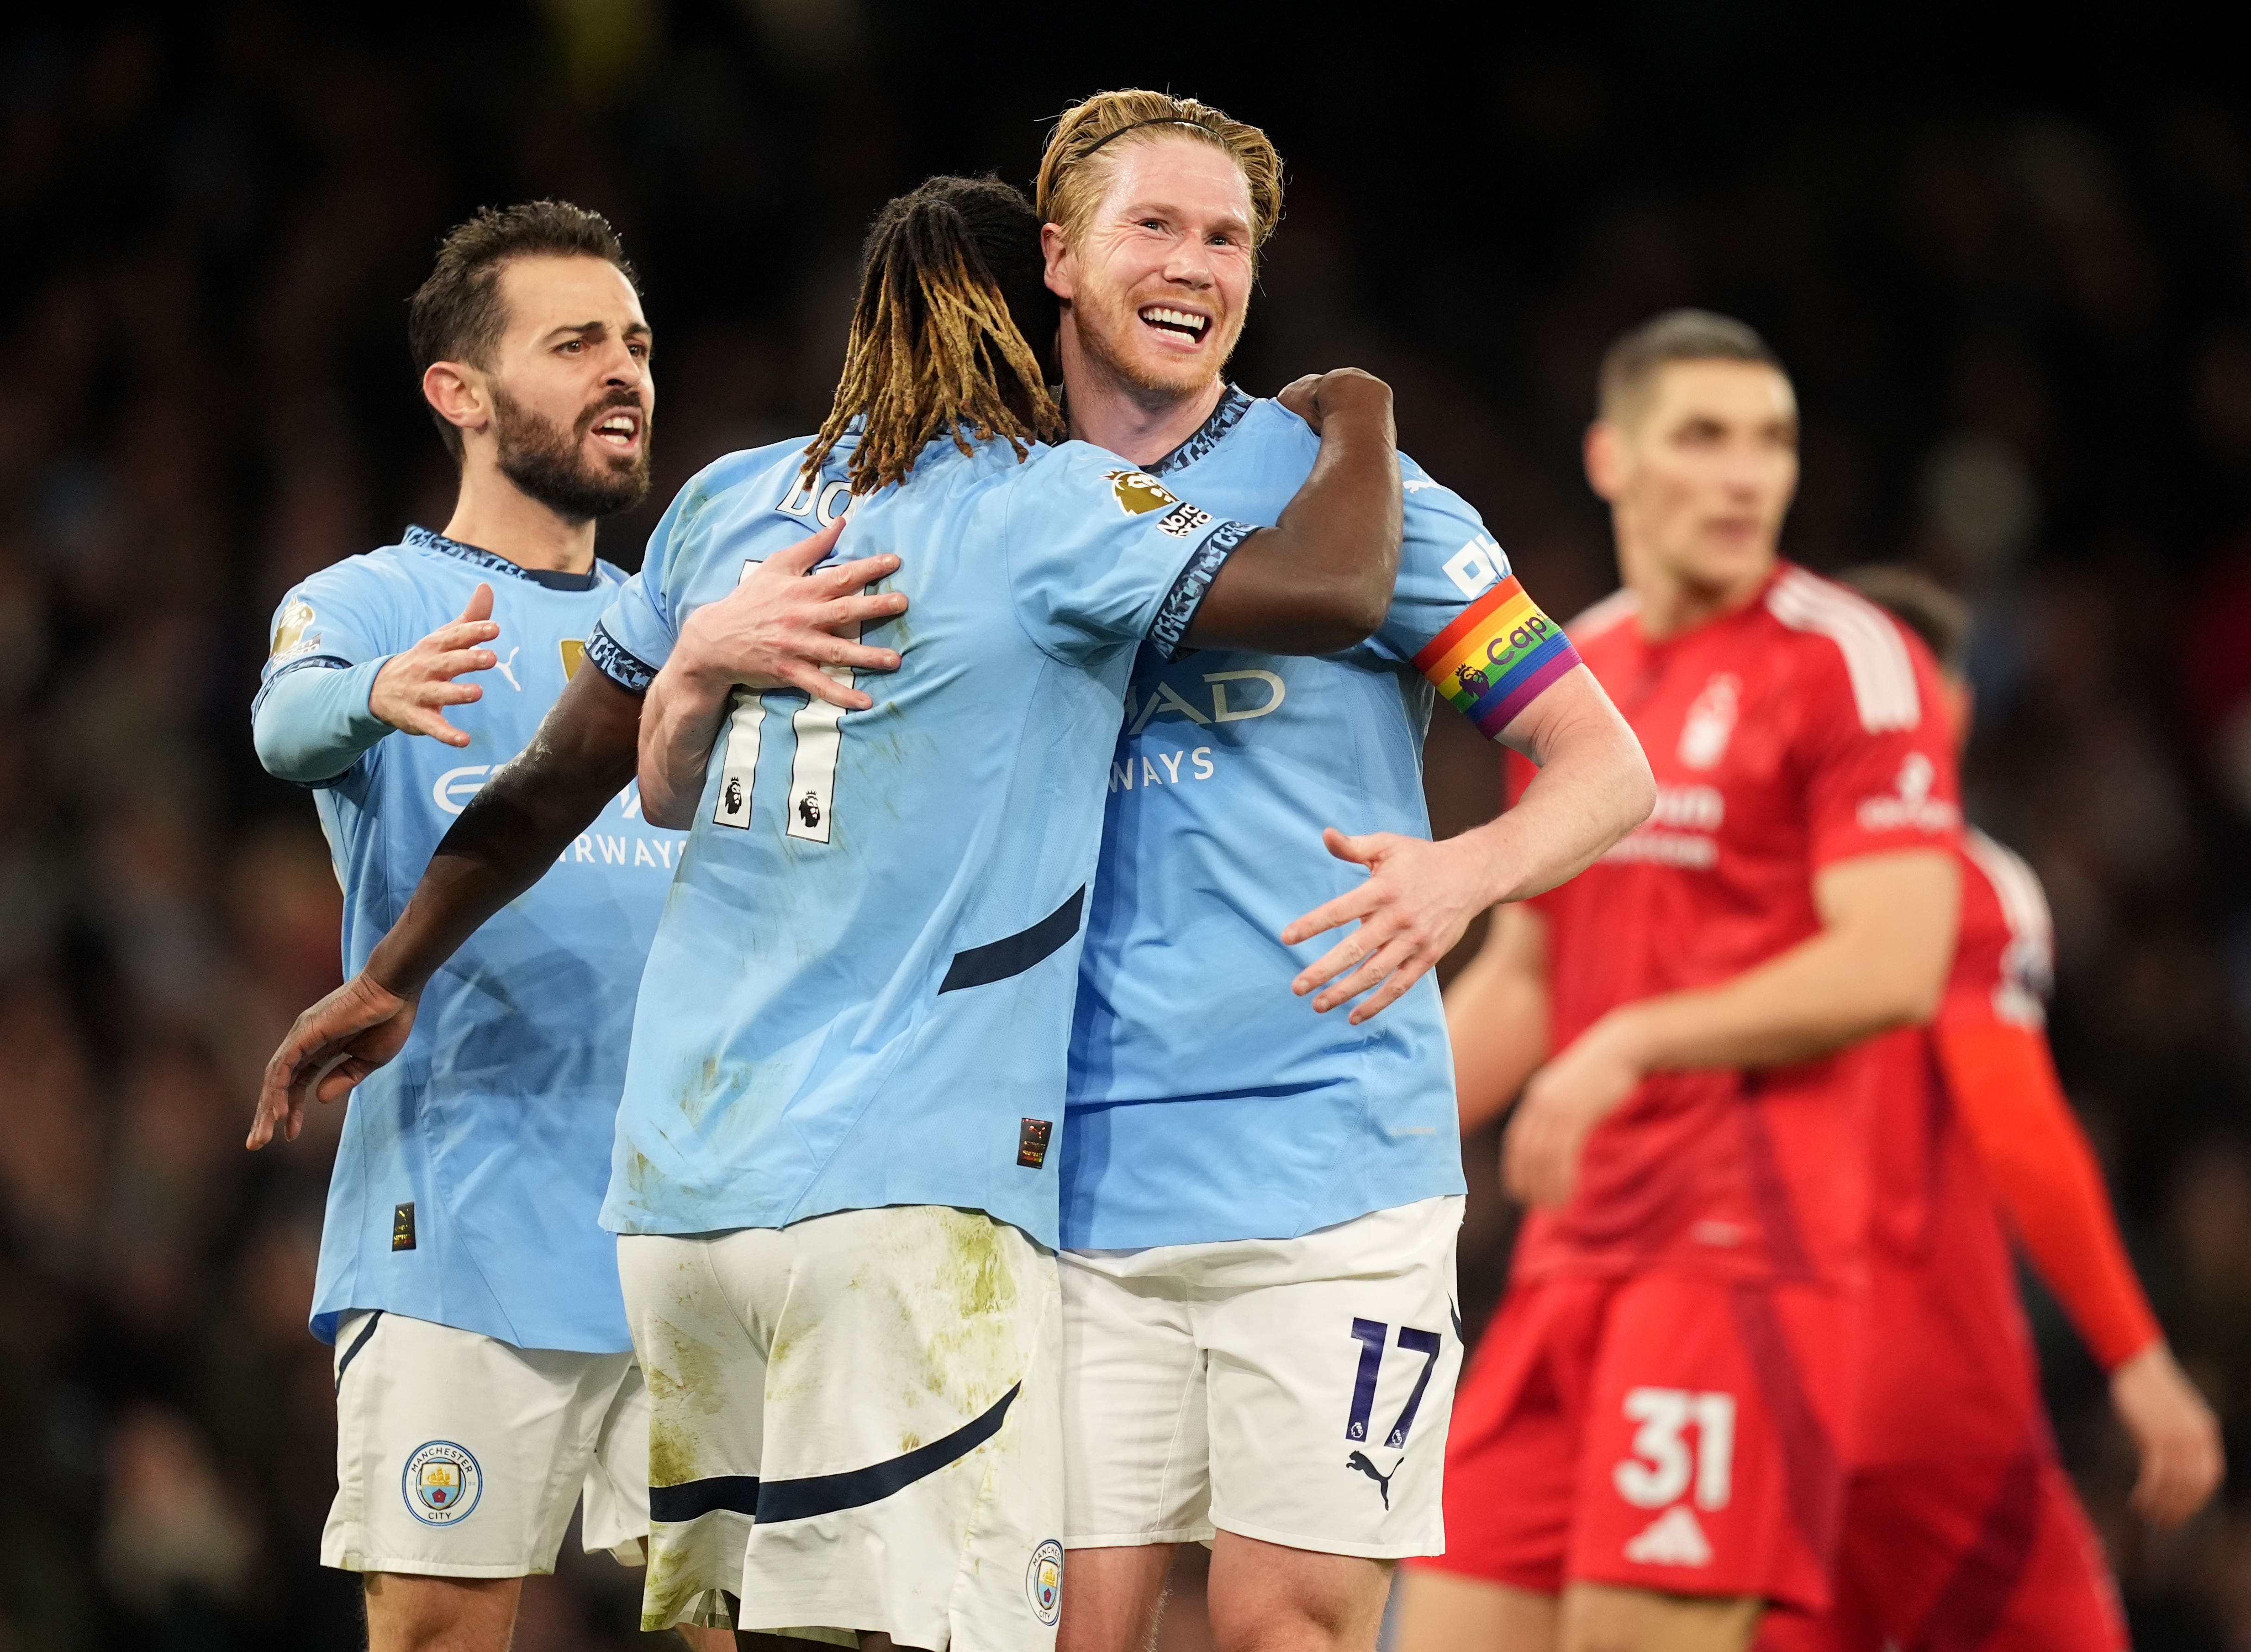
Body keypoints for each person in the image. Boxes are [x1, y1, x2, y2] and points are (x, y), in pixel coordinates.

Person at [254, 173, 1407, 1651]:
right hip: (905, 1195)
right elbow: (1331, 587)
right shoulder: (1045, 505)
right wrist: (1357, 406)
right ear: (1028, 320)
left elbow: (543, 791)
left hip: (684, 1203)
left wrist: (395, 969)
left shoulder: (727, 502)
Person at [1028, 90, 1657, 1652]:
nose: (1194, 264)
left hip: (1330, 1174)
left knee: (1285, 1632)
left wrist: (1465, 873)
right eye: (1151, 226)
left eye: (1226, 236)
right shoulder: (987, 505)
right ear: (1056, 255)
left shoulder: (1365, 503)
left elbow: (1606, 765)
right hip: (1056, 1179)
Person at [1394, 310, 1964, 1652]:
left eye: (1769, 443)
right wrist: (1362, 1124)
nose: (1743, 477)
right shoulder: (1571, 671)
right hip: (1568, 1262)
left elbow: (1897, 958)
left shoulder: (1848, 660)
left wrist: (1636, 1041)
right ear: (1610, 458)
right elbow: (1531, 975)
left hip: (1737, 1267)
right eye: (1702, 438)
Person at [245, 202, 763, 1651]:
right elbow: (287, 727)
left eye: (638, 343)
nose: (625, 372)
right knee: (439, 1633)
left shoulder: (687, 630)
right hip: (465, 1222)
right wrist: (372, 696)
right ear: (458, 394)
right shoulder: (371, 601)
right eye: (575, 342)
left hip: (687, 1226)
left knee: (730, 1631)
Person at [1748, 566, 2221, 1652]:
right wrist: (2136, 1356)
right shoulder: (1962, 885)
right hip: (1927, 1405)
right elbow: (2013, 1119)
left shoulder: (1716, 887)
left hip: (1746, 1399)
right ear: (1951, 709)